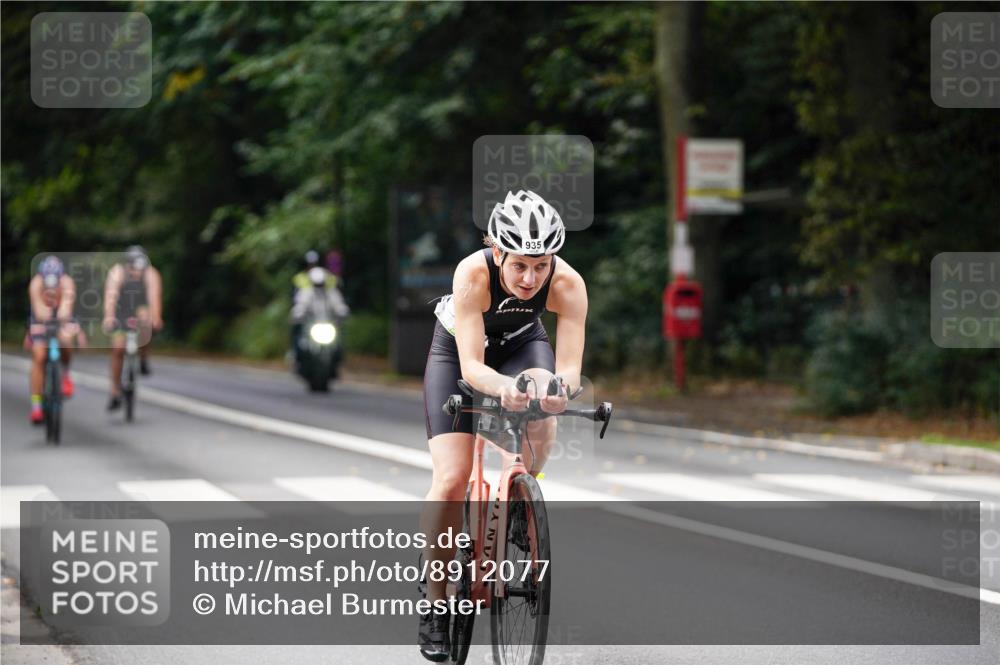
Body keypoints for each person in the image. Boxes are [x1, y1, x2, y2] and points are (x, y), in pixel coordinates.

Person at [417, 190, 586, 661]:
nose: (531, 278)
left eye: (541, 265)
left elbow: (569, 370)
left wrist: (556, 391)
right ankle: (434, 600)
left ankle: (519, 498)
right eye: (519, 266)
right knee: (451, 480)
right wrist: (500, 388)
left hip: (521, 344)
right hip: (458, 352)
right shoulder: (473, 273)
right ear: (497, 252)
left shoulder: (568, 284)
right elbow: (472, 366)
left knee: (544, 400)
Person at [102, 246, 163, 411]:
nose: (136, 272)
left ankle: (143, 357)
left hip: (141, 308)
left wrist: (156, 317)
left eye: (139, 268)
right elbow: (111, 296)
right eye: (133, 268)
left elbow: (154, 297)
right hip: (122, 310)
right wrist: (109, 317)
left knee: (146, 321)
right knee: (117, 349)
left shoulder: (151, 274)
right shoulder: (117, 273)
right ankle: (115, 390)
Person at [27, 256, 78, 424]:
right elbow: (38, 309)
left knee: (66, 342)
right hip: (40, 320)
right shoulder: (35, 283)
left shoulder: (67, 283)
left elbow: (66, 308)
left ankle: (65, 375)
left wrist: (63, 324)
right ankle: (36, 406)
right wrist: (43, 322)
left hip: (61, 318)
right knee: (39, 356)